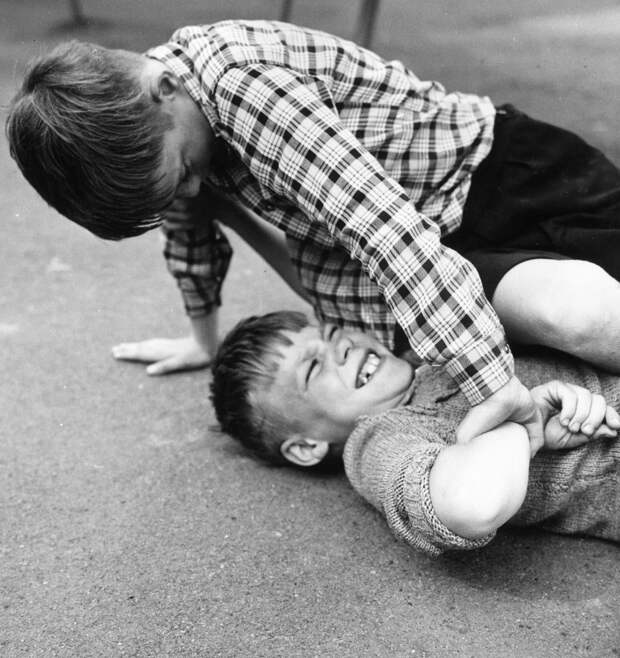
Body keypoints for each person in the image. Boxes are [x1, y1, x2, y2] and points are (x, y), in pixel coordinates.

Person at [7, 20, 620, 451]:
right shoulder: (160, 125)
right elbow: (189, 225)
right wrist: (203, 335)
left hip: (504, 180)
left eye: (184, 175)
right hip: (441, 247)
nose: (190, 193)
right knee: (560, 322)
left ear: (163, 90)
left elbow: (389, 236)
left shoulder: (245, 89)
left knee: (585, 318)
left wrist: (493, 388)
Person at [210, 311, 620, 556]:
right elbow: (468, 505)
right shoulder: (378, 440)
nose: (342, 348)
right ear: (305, 446)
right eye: (314, 369)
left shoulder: (419, 347)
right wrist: (519, 425)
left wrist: (228, 214)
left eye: (333, 333)